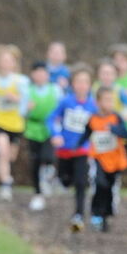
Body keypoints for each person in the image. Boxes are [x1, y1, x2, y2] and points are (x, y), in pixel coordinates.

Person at [47, 63, 97, 231]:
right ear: (72, 84)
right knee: (65, 180)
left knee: (81, 182)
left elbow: (98, 127)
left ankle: (79, 215)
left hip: (82, 150)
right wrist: (56, 135)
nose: (82, 85)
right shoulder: (65, 102)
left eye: (85, 82)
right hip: (64, 150)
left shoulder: (93, 106)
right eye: (79, 81)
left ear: (90, 85)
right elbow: (51, 119)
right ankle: (60, 180)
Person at [76, 86, 127, 231]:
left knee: (110, 187)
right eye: (106, 100)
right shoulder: (93, 118)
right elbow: (86, 134)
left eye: (111, 100)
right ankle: (96, 213)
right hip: (98, 158)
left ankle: (105, 216)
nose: (110, 103)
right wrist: (77, 145)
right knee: (100, 184)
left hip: (115, 160)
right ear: (98, 102)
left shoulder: (116, 118)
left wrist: (114, 129)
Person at [0, 44, 29, 200]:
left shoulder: (21, 81)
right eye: (3, 60)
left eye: (9, 60)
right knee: (4, 152)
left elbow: (25, 101)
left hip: (16, 124)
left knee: (10, 157)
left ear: (14, 63)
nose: (5, 63)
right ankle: (5, 185)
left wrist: (16, 99)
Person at [25, 60, 62, 211]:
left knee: (48, 156)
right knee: (35, 161)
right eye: (37, 72)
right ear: (33, 75)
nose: (40, 76)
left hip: (51, 128)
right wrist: (27, 109)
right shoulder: (28, 90)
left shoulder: (56, 89)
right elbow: (21, 111)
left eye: (43, 72)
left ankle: (48, 177)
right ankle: (37, 193)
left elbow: (61, 108)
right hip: (33, 128)